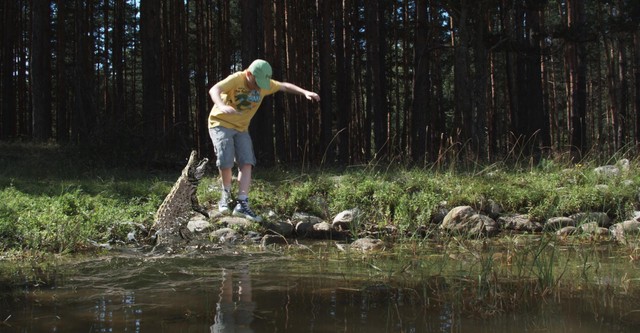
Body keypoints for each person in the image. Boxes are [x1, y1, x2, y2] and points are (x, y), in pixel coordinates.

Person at [208, 59, 320, 222]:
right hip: (221, 123)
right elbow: (214, 89)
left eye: (262, 83)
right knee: (226, 162)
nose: (259, 87)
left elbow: (284, 86)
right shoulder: (237, 79)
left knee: (247, 162)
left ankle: (242, 204)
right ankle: (225, 196)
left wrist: (305, 92)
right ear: (248, 74)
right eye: (257, 82)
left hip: (241, 128)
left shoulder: (265, 85)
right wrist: (221, 105)